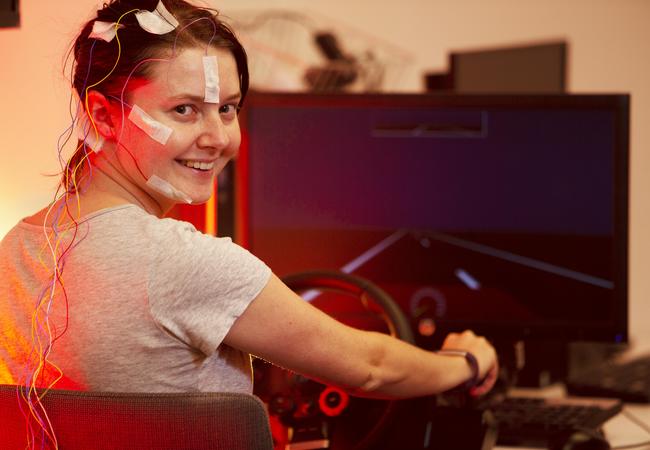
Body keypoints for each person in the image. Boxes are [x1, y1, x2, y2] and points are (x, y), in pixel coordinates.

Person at [0, 0, 498, 444]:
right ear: (103, 116)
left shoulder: (16, 248)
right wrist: (465, 363)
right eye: (184, 110)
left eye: (228, 108)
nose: (218, 137)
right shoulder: (185, 263)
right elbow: (370, 369)